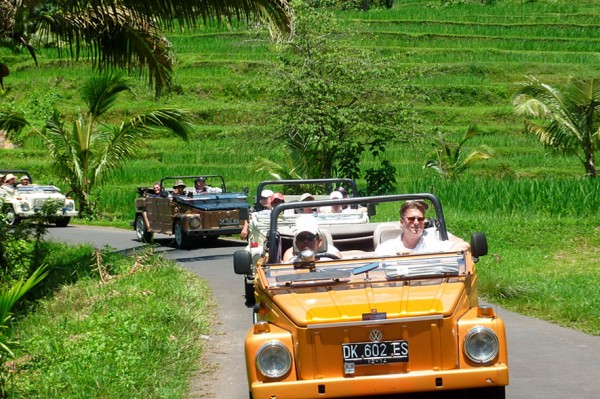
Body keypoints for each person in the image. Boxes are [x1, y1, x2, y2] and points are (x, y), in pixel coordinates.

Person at [375, 200, 469, 256]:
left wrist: (442, 257)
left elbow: (464, 245)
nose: (416, 222)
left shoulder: (431, 243)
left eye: (420, 219)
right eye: (411, 219)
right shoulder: (386, 248)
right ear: (401, 222)